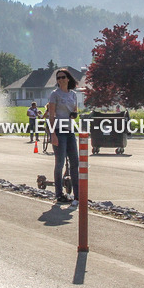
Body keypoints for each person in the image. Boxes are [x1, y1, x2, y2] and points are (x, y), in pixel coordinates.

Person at [47, 68, 80, 204]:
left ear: (68, 79)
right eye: (58, 78)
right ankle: (59, 193)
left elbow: (75, 110)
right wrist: (52, 134)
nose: (60, 80)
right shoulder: (55, 94)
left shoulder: (73, 94)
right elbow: (51, 115)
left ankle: (78, 195)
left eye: (62, 77)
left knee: (74, 163)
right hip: (59, 131)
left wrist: (74, 114)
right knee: (59, 162)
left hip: (69, 131)